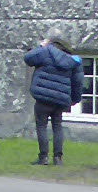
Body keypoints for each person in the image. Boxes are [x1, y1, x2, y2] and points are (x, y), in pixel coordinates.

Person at [23, 28, 84, 166]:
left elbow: (28, 58)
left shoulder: (45, 52)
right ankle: (58, 158)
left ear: (51, 41)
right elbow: (78, 82)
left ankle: (43, 157)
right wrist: (75, 99)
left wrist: (41, 46)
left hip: (43, 98)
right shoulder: (73, 60)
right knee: (57, 126)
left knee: (41, 126)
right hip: (60, 99)